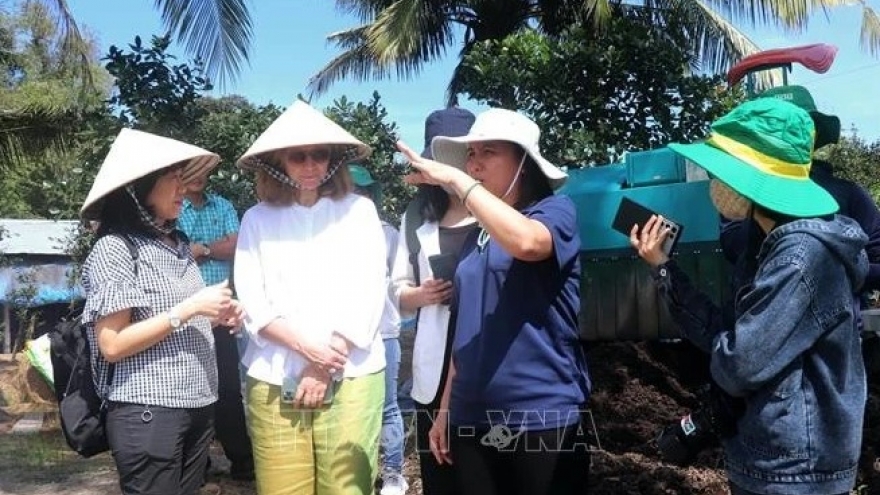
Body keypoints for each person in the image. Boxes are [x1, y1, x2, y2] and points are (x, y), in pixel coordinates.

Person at [630, 98, 868, 495]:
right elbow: (728, 333)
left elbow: (739, 364)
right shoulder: (764, 244)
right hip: (772, 459)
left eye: (721, 173)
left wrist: (725, 355)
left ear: (750, 180)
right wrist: (663, 266)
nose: (715, 184)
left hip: (794, 470)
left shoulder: (800, 259)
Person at [395, 108, 592, 495]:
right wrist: (445, 411)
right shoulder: (476, 240)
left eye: (488, 152)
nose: (475, 163)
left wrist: (456, 179)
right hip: (472, 414)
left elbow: (528, 243)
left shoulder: (554, 213)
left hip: (540, 413)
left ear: (523, 162)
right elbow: (466, 332)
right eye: (470, 155)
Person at [233, 100, 387, 495]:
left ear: (334, 160)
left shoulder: (359, 212)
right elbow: (252, 299)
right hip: (273, 372)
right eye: (297, 156)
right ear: (278, 162)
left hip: (352, 369)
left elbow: (370, 288)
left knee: (346, 488)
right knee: (283, 488)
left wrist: (324, 363)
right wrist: (307, 351)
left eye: (319, 155)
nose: (310, 165)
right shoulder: (256, 218)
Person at [79, 128, 245, 495]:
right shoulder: (116, 249)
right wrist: (186, 310)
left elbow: (185, 313)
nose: (184, 189)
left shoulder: (177, 244)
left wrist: (217, 313)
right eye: (174, 180)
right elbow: (112, 344)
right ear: (141, 188)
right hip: (149, 410)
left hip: (197, 403)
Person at [390, 105, 476, 495]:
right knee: (439, 468)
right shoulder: (415, 215)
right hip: (435, 356)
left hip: (483, 354)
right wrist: (420, 295)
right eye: (436, 157)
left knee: (481, 462)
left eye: (456, 154)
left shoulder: (494, 211)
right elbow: (396, 289)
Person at [177, 170, 255, 481]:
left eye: (201, 172)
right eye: (188, 172)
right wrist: (202, 249)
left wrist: (201, 250)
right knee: (187, 387)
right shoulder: (172, 208)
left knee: (227, 389)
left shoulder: (222, 206)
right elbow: (174, 253)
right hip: (185, 314)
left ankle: (241, 458)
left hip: (222, 311)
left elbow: (235, 244)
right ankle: (198, 462)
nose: (196, 178)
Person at [348, 163, 408, 495]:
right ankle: (359, 469)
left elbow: (396, 287)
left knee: (386, 407)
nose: (356, 197)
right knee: (350, 408)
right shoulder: (325, 233)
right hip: (339, 340)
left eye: (361, 191)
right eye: (350, 190)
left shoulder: (387, 234)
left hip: (381, 334)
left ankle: (393, 473)